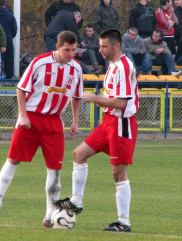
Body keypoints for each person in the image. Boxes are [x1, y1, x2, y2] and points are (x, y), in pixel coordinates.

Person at [0, 30, 83, 228]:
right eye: (67, 50)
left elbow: (77, 96)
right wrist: (23, 115)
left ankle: (49, 213)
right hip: (31, 118)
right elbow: (21, 89)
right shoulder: (40, 62)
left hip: (54, 122)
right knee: (13, 160)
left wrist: (75, 121)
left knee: (55, 169)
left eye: (74, 50)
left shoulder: (76, 69)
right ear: (57, 47)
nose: (71, 54)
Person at [54, 28, 138, 232]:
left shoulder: (124, 67)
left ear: (116, 46)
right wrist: (101, 102)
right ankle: (76, 201)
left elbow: (120, 103)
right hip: (109, 122)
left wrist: (93, 98)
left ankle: (124, 222)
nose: (99, 49)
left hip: (121, 123)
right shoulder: (112, 65)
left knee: (119, 173)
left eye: (103, 46)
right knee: (79, 154)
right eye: (99, 45)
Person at [0, 0, 18, 79]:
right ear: (5, 4)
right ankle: (9, 75)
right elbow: (14, 29)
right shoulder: (10, 15)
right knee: (9, 58)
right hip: (8, 38)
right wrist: (10, 36)